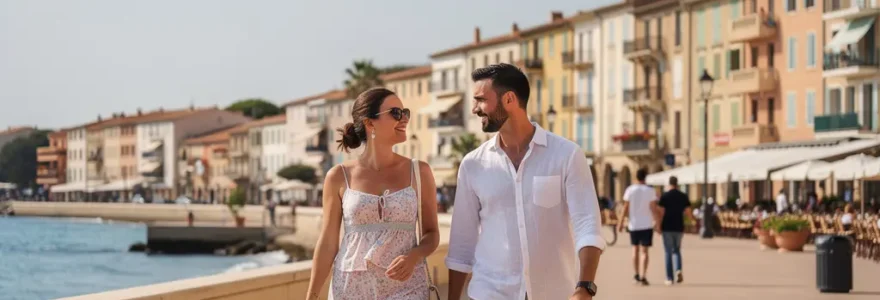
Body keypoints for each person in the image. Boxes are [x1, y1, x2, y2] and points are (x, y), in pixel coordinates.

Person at [446, 63, 604, 300]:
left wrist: (585, 287)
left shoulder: (567, 155)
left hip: (554, 293)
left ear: (509, 100)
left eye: (480, 99)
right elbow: (462, 243)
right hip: (489, 293)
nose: (474, 109)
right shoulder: (472, 165)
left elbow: (588, 225)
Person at [306, 87, 440, 300]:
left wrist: (413, 256)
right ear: (370, 123)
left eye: (405, 113)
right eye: (396, 113)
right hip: (349, 289)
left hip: (408, 287)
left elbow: (432, 234)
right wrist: (311, 296)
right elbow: (328, 243)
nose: (404, 119)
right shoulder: (338, 176)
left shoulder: (419, 172)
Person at [617, 168, 658, 286]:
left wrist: (620, 223)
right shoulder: (650, 190)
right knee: (644, 251)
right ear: (645, 177)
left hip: (634, 224)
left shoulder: (630, 190)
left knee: (635, 249)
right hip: (647, 225)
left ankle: (636, 275)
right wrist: (658, 223)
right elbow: (653, 208)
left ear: (636, 177)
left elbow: (625, 207)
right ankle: (643, 276)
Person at [656, 176, 691, 286]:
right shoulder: (683, 196)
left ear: (669, 184)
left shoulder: (665, 196)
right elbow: (688, 211)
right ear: (677, 184)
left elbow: (661, 212)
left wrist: (658, 225)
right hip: (679, 227)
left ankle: (669, 278)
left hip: (667, 227)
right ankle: (678, 269)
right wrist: (689, 222)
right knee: (676, 250)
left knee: (667, 251)